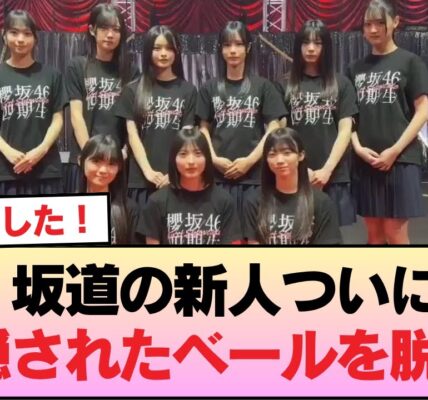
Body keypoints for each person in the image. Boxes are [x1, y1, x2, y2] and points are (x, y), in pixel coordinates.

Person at [347, 0, 428, 244]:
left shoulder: (410, 62)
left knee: (395, 233)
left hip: (401, 160)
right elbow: (348, 116)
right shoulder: (355, 68)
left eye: (380, 23)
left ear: (395, 22)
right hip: (366, 161)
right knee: (374, 235)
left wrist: (395, 150)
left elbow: (423, 111)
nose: (373, 29)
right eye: (367, 24)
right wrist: (358, 149)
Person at [196, 20, 287, 220]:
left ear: (248, 48)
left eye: (238, 44)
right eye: (227, 45)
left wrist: (249, 161)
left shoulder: (263, 86)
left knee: (253, 232)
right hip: (218, 177)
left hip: (255, 178)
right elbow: (203, 128)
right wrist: (214, 159)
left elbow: (274, 127)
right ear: (221, 49)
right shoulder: (209, 88)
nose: (233, 50)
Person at [279, 19, 358, 226]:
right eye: (306, 42)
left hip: (333, 175)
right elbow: (281, 134)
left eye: (317, 43)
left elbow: (345, 130)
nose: (311, 48)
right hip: (294, 174)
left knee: (330, 237)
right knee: (294, 235)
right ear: (298, 46)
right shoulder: (284, 85)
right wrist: (299, 168)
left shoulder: (342, 84)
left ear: (326, 47)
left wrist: (327, 170)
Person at [115, 25, 197, 211]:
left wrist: (174, 173)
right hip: (141, 181)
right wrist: (148, 172)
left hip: (177, 180)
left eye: (169, 48)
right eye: (157, 48)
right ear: (147, 51)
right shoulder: (132, 90)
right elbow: (132, 136)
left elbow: (186, 137)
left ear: (176, 51)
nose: (163, 54)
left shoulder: (188, 91)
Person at [65, 2, 135, 192]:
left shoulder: (131, 71)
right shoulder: (77, 66)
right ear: (92, 30)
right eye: (104, 28)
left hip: (117, 161)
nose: (110, 35)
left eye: (116, 30)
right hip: (84, 158)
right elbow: (76, 115)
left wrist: (124, 152)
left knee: (116, 210)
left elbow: (133, 120)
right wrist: (90, 154)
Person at [0, 10, 67, 195]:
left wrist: (40, 151)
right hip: (6, 171)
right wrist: (7, 151)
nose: (20, 39)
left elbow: (58, 119)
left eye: (27, 33)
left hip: (46, 169)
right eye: (14, 32)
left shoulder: (52, 75)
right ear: (4, 36)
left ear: (36, 38)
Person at [139, 127, 242, 245]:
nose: (191, 161)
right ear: (173, 159)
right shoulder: (157, 202)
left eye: (198, 153)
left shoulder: (224, 201)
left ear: (207, 158)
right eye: (183, 154)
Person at [244, 128, 342, 245]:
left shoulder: (321, 202)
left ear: (301, 155)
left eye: (287, 153)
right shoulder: (254, 200)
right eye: (272, 154)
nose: (279, 160)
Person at [79, 134, 141, 245]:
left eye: (111, 164)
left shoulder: (130, 210)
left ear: (119, 168)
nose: (103, 170)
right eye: (96, 161)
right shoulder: (67, 208)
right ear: (81, 161)